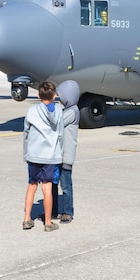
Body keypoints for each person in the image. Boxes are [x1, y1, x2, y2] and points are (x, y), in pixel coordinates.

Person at [22, 81, 63, 232]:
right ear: (54, 96)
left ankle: (27, 218)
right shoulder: (58, 112)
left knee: (32, 186)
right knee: (47, 188)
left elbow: (26, 133)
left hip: (34, 155)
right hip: (50, 155)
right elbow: (61, 135)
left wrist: (26, 152)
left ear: (38, 95)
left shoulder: (31, 111)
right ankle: (47, 222)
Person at [56, 80, 80, 224]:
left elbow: (57, 123)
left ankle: (67, 212)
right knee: (53, 184)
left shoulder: (72, 111)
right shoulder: (67, 109)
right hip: (59, 155)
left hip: (66, 156)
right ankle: (53, 210)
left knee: (65, 185)